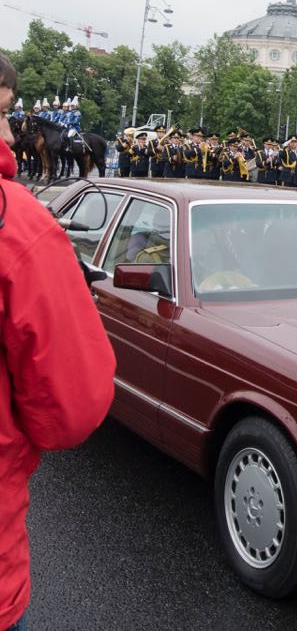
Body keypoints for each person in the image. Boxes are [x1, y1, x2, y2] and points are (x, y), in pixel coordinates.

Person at [0, 52, 116, 631]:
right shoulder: (16, 222)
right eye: (6, 113)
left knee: (69, 142)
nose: (13, 128)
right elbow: (72, 407)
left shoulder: (66, 115)